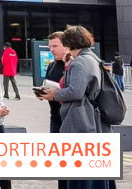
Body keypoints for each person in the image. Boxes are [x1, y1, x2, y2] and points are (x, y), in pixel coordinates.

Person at [41, 26, 117, 189]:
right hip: (93, 119)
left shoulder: (80, 63)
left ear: (70, 43)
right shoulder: (92, 58)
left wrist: (55, 94)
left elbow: (76, 91)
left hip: (81, 120)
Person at [42, 31, 68, 134]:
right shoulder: (52, 65)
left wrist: (57, 94)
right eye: (50, 47)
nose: (52, 50)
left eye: (55, 46)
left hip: (69, 117)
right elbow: (46, 84)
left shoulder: (73, 65)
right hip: (54, 117)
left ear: (66, 45)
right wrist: (42, 93)